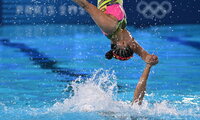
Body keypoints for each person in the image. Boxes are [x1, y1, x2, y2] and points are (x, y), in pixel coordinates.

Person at [72, 0, 159, 104]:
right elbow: (144, 55)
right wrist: (148, 61)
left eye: (132, 44)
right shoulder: (121, 30)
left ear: (122, 43)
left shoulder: (109, 26)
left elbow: (86, 6)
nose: (135, 43)